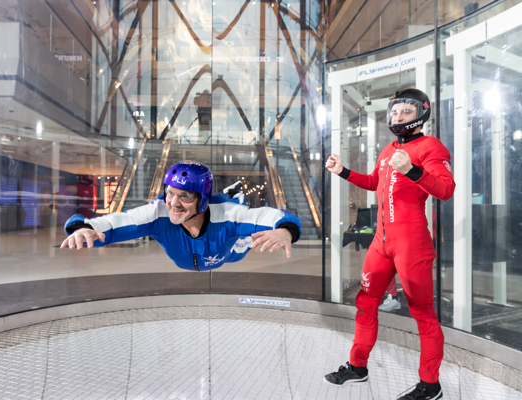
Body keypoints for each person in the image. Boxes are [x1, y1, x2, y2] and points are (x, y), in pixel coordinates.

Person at [323, 88, 455, 400]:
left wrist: (412, 170)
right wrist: (342, 171)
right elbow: (373, 183)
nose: (397, 117)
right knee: (365, 302)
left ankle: (430, 386)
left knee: (422, 312)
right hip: (381, 243)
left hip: (412, 244)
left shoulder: (430, 146)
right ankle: (358, 367)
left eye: (405, 112)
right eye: (394, 111)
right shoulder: (387, 150)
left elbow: (446, 189)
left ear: (421, 114)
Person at [60, 161, 301, 271]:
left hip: (230, 252)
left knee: (243, 236)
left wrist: (284, 230)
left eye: (185, 196)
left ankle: (232, 196)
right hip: (193, 254)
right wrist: (81, 227)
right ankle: (228, 194)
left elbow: (270, 216)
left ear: (202, 199)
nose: (174, 203)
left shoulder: (227, 215)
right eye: (170, 193)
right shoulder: (158, 213)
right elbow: (116, 221)